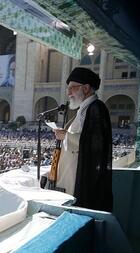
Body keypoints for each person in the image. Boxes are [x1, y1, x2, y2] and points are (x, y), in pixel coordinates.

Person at [53, 67, 113, 212]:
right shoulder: (84, 109)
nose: (68, 93)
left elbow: (95, 144)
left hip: (82, 176)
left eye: (72, 88)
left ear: (86, 88)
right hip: (73, 172)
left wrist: (65, 136)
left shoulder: (96, 108)